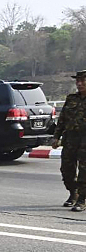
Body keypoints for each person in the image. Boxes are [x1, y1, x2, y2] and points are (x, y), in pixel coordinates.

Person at [53, 70, 86, 212]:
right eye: (78, 81)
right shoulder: (71, 98)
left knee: (84, 171)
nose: (79, 83)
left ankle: (82, 199)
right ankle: (73, 193)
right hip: (70, 139)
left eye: (83, 80)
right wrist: (56, 136)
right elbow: (62, 120)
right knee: (66, 169)